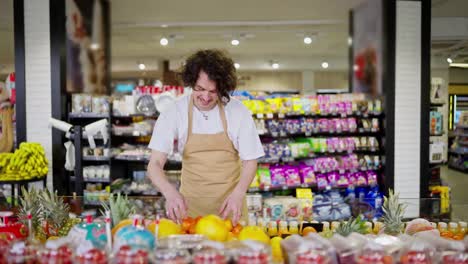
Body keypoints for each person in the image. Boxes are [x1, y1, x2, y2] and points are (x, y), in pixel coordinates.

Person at [147, 49, 264, 225]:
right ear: (190, 82)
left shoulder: (238, 111)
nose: (206, 97)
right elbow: (154, 164)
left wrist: (239, 194)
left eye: (213, 91)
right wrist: (170, 193)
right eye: (200, 89)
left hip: (230, 207)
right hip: (190, 208)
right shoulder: (174, 111)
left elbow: (250, 161)